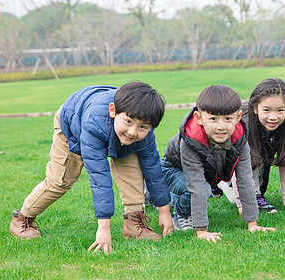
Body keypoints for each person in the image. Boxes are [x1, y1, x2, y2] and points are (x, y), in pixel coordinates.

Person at [9, 82, 174, 254]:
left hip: (112, 127)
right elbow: (99, 177)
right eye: (129, 121)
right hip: (73, 122)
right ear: (113, 111)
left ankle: (134, 224)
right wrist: (104, 228)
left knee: (132, 171)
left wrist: (165, 212)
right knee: (61, 180)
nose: (133, 131)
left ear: (151, 126)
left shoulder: (142, 132)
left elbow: (153, 170)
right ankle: (22, 219)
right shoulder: (93, 125)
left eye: (142, 127)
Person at [161, 84, 275, 242]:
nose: (221, 126)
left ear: (238, 117)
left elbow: (245, 179)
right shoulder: (190, 140)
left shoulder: (240, 138)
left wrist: (252, 223)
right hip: (172, 168)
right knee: (203, 190)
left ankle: (162, 197)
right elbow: (197, 184)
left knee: (201, 190)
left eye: (228, 118)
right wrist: (202, 231)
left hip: (206, 172)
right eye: (213, 119)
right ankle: (182, 213)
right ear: (199, 118)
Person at [229, 78, 285, 214]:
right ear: (255, 108)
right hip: (230, 170)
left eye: (280, 110)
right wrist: (242, 204)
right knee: (251, 154)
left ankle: (255, 194)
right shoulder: (244, 127)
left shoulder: (284, 128)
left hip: (253, 174)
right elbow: (239, 166)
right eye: (266, 110)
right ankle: (220, 184)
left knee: (257, 158)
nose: (273, 117)